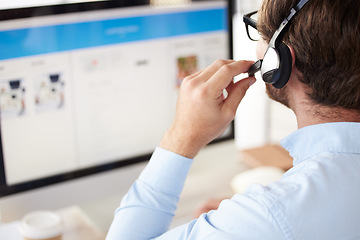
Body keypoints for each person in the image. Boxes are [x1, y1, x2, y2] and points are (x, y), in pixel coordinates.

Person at [106, 0, 360, 239]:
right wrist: (240, 222)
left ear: (279, 59)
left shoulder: (269, 217)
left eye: (260, 31)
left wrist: (181, 136)